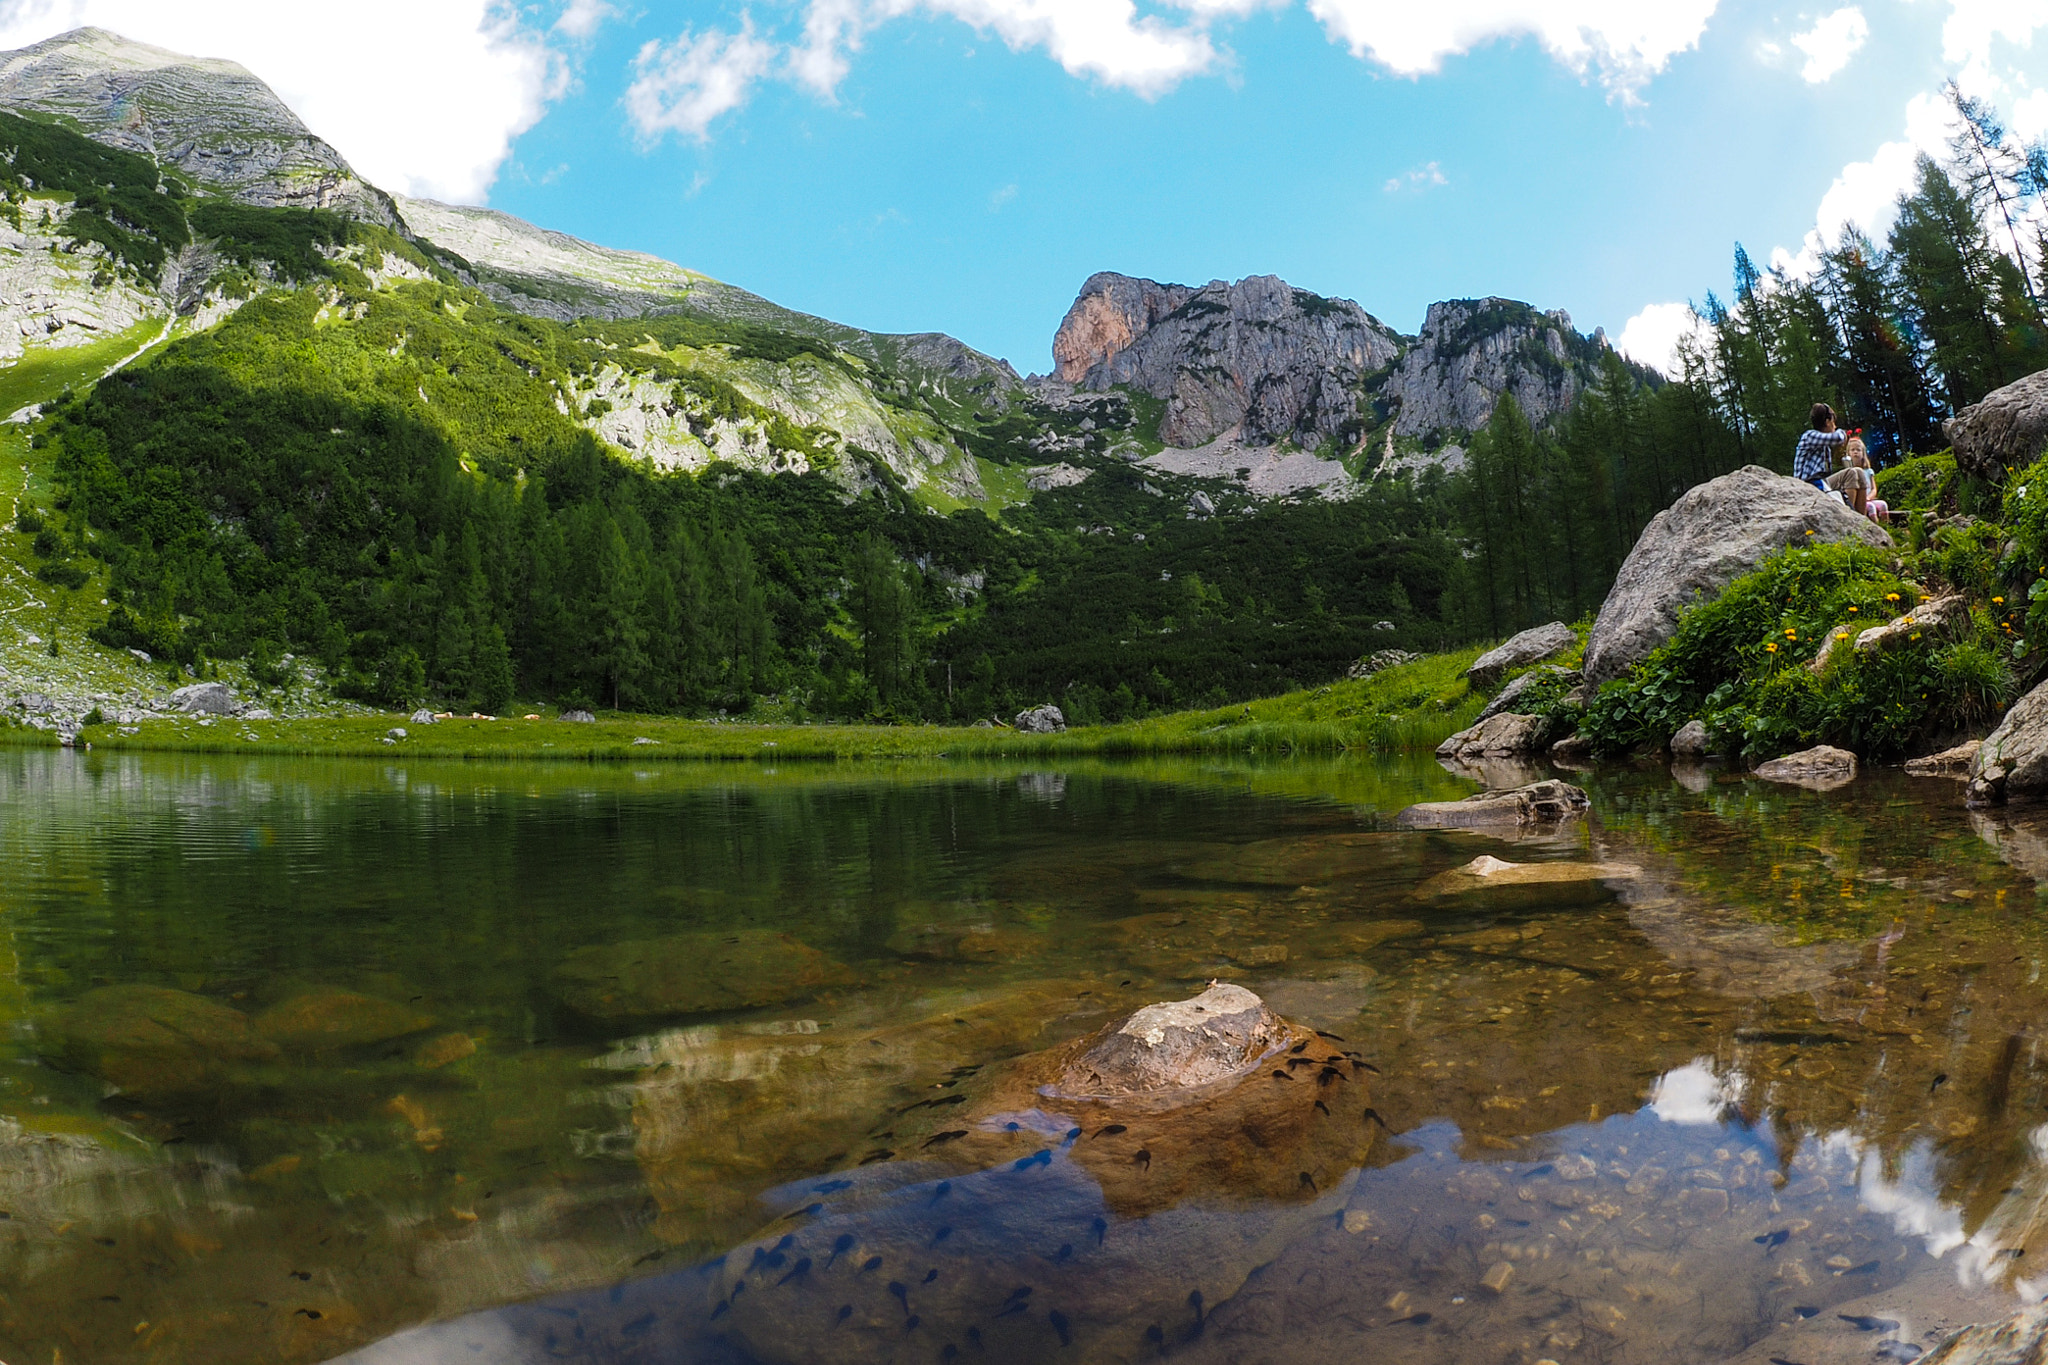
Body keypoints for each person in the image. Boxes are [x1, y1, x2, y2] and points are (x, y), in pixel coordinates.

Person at [1826, 438, 1887, 521]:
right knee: (1871, 507)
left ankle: (1885, 527)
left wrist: (1869, 497)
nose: (1855, 452)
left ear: (1863, 453)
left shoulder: (1868, 471)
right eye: (1853, 450)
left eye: (1858, 450)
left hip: (1869, 498)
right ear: (1848, 454)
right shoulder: (1848, 472)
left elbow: (1874, 488)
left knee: (1883, 505)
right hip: (1863, 500)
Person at [1793, 402, 1848, 492]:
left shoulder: (1822, 444)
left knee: (1856, 473)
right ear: (1827, 422)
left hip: (1821, 481)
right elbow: (1838, 438)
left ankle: (1853, 506)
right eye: (1833, 422)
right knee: (1850, 474)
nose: (1835, 426)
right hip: (1807, 483)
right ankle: (1847, 506)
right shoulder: (1810, 436)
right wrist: (1843, 433)